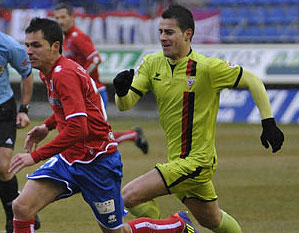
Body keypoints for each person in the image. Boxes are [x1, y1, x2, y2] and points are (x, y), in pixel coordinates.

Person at [8, 17, 200, 233]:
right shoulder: (49, 72)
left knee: (116, 232)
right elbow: (73, 107)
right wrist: (47, 126)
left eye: (36, 45)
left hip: (98, 162)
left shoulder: (64, 74)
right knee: (21, 207)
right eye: (27, 45)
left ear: (55, 47)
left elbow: (79, 129)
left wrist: (35, 156)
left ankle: (178, 224)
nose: (29, 51)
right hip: (70, 160)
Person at [113, 4, 284, 233]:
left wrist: (268, 122)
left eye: (169, 32)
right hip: (178, 161)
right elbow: (126, 105)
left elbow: (253, 80)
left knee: (126, 196)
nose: (163, 38)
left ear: (187, 34)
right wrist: (121, 91)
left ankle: (177, 227)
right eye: (161, 32)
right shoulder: (153, 63)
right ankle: (168, 225)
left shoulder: (206, 68)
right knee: (213, 221)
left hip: (196, 162)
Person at [54, 3, 149, 154]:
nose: (60, 21)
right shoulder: (66, 39)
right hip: (83, 93)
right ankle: (133, 135)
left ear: (73, 17)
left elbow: (96, 59)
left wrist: (80, 78)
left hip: (94, 92)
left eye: (63, 17)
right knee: (86, 136)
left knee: (93, 136)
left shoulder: (77, 37)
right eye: (57, 18)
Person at [0, 32, 41, 233]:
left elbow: (26, 73)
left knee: (2, 166)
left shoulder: (8, 46)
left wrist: (24, 109)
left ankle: (13, 218)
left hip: (3, 111)